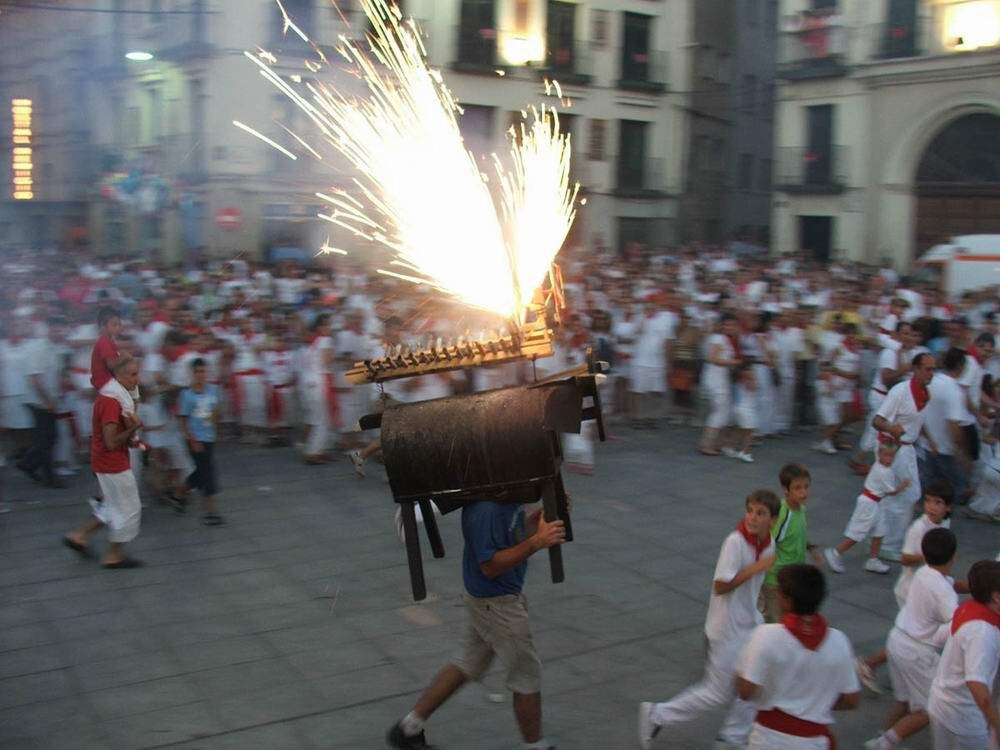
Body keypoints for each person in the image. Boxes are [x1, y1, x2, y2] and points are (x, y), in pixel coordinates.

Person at [385, 497, 566, 750]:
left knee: (466, 664)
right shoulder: (486, 508)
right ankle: (535, 746)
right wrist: (536, 542)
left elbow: (509, 535)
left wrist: (536, 525)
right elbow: (490, 566)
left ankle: (408, 728)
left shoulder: (505, 496)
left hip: (489, 600)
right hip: (497, 603)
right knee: (526, 675)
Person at [638, 489, 780, 749]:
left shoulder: (769, 544)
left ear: (772, 520)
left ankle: (731, 737)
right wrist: (754, 569)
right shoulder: (735, 542)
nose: (752, 517)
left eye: (760, 513)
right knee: (716, 693)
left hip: (750, 624)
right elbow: (720, 586)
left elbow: (755, 584)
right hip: (725, 629)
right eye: (750, 511)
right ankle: (656, 715)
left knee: (757, 680)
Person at [735, 564, 861, 750]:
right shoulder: (839, 641)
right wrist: (816, 703)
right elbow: (851, 700)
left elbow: (745, 692)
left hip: (769, 739)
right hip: (814, 741)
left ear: (786, 600)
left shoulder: (765, 636)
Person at [865, 528, 960, 750]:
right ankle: (884, 744)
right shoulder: (943, 592)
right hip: (917, 652)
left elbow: (952, 583)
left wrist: (978, 587)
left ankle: (881, 738)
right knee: (930, 709)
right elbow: (957, 624)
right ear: (954, 557)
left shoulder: (924, 572)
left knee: (905, 700)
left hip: (897, 640)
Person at [62, 356, 144, 568]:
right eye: (133, 375)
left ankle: (80, 535)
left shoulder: (115, 396)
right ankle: (113, 555)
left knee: (113, 505)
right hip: (112, 463)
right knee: (129, 508)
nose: (137, 379)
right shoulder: (111, 401)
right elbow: (111, 441)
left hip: (108, 461)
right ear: (120, 375)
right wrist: (134, 427)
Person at [927, 559, 1000, 750]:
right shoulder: (983, 632)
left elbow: (937, 637)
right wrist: (997, 725)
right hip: (963, 716)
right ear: (996, 597)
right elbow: (976, 682)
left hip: (941, 702)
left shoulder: (969, 608)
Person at [873, 352, 936, 560]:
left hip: (907, 448)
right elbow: (877, 420)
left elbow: (918, 422)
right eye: (927, 369)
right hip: (892, 449)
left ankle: (890, 540)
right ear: (915, 369)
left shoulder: (925, 394)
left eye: (933, 369)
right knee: (899, 496)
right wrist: (892, 428)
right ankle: (888, 544)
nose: (931, 373)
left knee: (910, 495)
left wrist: (930, 440)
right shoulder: (900, 391)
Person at [824, 440, 911, 575]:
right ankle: (835, 553)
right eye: (886, 455)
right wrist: (903, 485)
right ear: (879, 454)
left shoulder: (881, 466)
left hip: (877, 503)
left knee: (880, 531)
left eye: (892, 456)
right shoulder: (884, 472)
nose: (889, 459)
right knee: (858, 533)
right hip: (869, 504)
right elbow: (892, 491)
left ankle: (873, 560)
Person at [19, 317, 69, 488]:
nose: (59, 332)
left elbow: (57, 374)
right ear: (48, 328)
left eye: (61, 329)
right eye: (56, 329)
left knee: (49, 438)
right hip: (38, 401)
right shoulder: (38, 348)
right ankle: (50, 478)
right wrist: (48, 401)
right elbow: (35, 379)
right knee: (46, 440)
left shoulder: (55, 348)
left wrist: (57, 395)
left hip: (49, 400)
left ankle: (27, 464)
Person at [762, 464, 814, 623]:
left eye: (806, 487)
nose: (804, 492)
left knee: (786, 619)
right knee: (776, 622)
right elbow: (768, 542)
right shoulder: (783, 515)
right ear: (785, 489)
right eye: (798, 488)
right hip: (776, 580)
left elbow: (796, 534)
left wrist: (809, 547)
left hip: (793, 576)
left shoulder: (801, 509)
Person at [176, 358, 224, 526]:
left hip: (209, 437)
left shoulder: (213, 391)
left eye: (203, 371)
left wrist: (215, 427)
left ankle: (180, 493)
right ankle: (210, 511)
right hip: (195, 439)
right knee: (208, 474)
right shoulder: (186, 395)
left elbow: (217, 411)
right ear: (192, 373)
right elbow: (183, 420)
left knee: (200, 472)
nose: (201, 375)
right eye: (197, 372)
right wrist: (191, 439)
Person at [698, 314, 740, 456]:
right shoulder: (718, 338)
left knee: (724, 411)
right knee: (719, 411)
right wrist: (733, 362)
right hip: (715, 379)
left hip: (722, 378)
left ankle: (717, 442)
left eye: (732, 325)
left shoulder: (728, 340)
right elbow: (712, 358)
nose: (729, 328)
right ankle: (706, 444)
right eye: (727, 325)